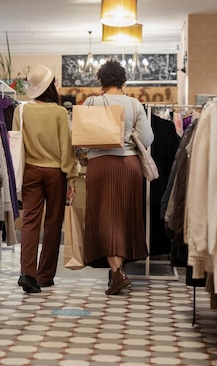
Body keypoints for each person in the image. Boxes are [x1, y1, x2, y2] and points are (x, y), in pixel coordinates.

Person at [82, 59, 154, 295]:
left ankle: (117, 273)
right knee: (124, 216)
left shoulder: (92, 101)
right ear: (123, 80)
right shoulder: (134, 104)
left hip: (100, 164)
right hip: (128, 165)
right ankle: (117, 272)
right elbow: (147, 139)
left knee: (103, 216)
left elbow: (79, 135)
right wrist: (129, 133)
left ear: (101, 80)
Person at [14, 64, 77, 293]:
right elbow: (65, 148)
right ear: (50, 86)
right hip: (55, 173)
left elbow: (16, 144)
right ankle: (44, 276)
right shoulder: (59, 112)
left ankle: (26, 273)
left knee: (30, 221)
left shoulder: (20, 111)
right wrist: (71, 177)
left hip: (30, 170)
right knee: (52, 223)